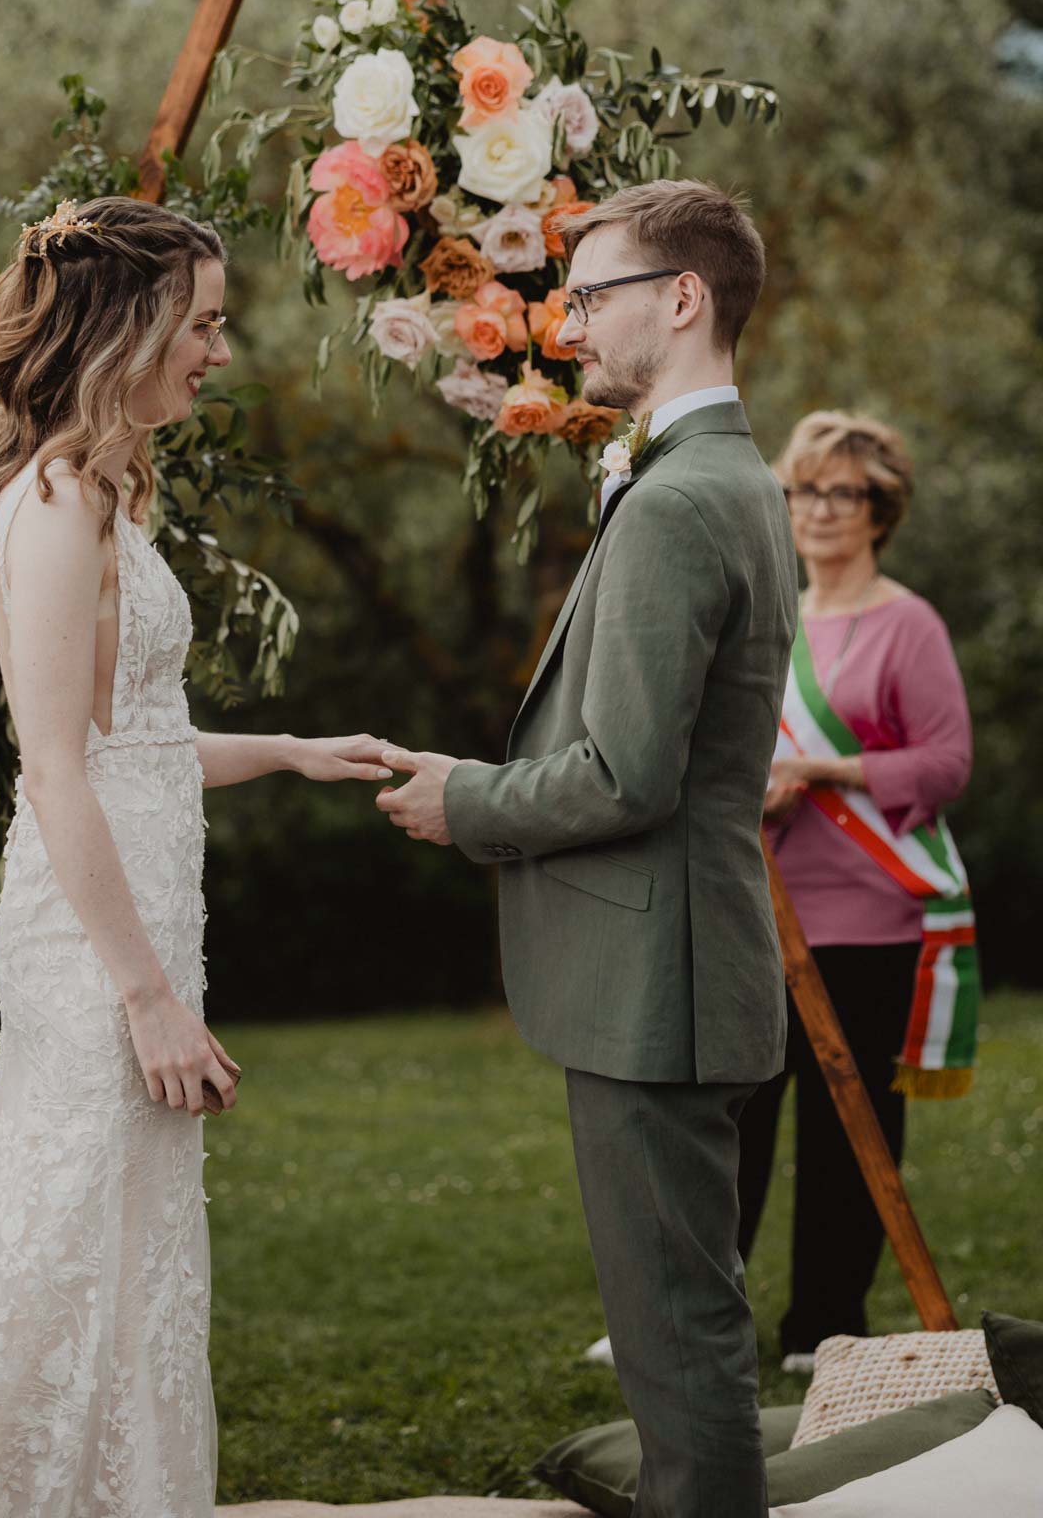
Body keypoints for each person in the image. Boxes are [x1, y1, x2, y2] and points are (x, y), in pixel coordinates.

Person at [0, 196, 393, 1516]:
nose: (219, 351)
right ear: (132, 323)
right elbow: (56, 767)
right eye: (204, 324)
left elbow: (136, 747)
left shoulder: (104, 489)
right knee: (51, 1224)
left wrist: (285, 746)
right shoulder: (52, 500)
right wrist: (144, 993)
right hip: (97, 940)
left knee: (111, 1231)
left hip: (144, 906)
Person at [377, 180, 798, 1518]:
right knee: (685, 1334)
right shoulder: (719, 474)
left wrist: (469, 802)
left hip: (656, 987)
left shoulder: (683, 501)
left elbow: (629, 772)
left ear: (681, 300)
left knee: (681, 1349)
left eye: (592, 294)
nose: (569, 326)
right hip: (669, 971)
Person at [738, 409, 976, 1369]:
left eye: (843, 493)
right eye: (804, 490)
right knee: (732, 1121)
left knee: (851, 1132)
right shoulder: (771, 617)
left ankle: (823, 1327)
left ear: (880, 510)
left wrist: (826, 776)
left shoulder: (908, 622)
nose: (820, 510)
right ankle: (703, 1315)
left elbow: (947, 763)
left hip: (874, 917)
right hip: (764, 912)